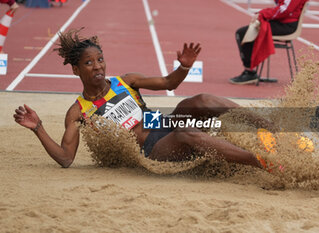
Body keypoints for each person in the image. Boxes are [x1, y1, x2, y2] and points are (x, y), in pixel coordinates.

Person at [13, 28, 273, 170]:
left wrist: (183, 68)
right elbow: (66, 158)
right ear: (76, 70)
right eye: (88, 63)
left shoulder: (126, 81)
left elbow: (169, 83)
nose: (97, 67)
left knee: (202, 100)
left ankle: (270, 127)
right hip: (152, 149)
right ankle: (258, 162)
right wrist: (38, 128)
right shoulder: (78, 112)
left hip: (165, 124)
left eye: (100, 59)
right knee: (186, 132)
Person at [230, 0, 308, 85]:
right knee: (245, 31)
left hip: (287, 26)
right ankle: (250, 71)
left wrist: (263, 14)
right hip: (282, 21)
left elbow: (285, 9)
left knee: (243, 33)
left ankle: (249, 72)